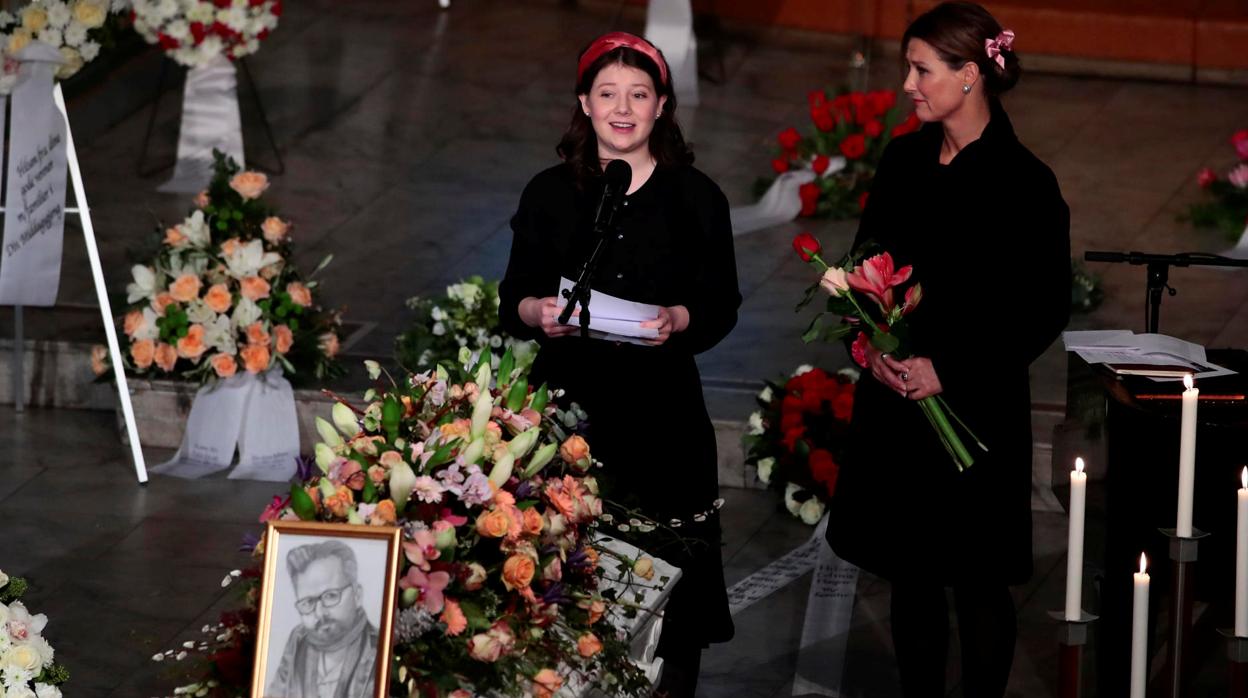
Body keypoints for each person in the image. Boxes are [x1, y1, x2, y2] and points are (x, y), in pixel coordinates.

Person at [824, 3, 1071, 697]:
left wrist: (949, 369)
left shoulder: (1025, 184)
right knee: (913, 576)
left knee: (978, 583)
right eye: (910, 67)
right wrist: (866, 342)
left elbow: (1040, 308)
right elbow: (865, 263)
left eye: (922, 69)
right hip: (899, 401)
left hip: (976, 413)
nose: (908, 82)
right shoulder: (904, 160)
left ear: (969, 75)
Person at [498, 31, 740, 697]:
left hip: (663, 415)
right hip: (572, 413)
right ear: (585, 102)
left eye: (639, 94)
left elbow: (720, 303)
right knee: (567, 587)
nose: (623, 108)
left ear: (662, 105)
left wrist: (679, 320)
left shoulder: (696, 197)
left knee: (669, 595)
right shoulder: (551, 193)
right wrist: (535, 312)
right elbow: (512, 295)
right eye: (608, 94)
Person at [267, 540, 379, 698]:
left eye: (331, 596)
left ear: (357, 595)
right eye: (308, 602)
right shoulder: (299, 640)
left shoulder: (380, 648)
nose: (320, 613)